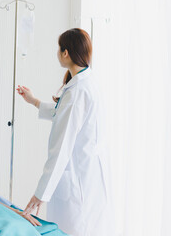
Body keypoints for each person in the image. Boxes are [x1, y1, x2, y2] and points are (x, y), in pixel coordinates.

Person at [17, 28, 114, 236]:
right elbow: (64, 114)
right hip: (88, 177)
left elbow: (61, 149)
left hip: (78, 181)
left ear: (66, 53)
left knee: (75, 229)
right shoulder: (87, 82)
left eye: (58, 49)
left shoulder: (77, 92)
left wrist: (39, 195)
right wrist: (33, 101)